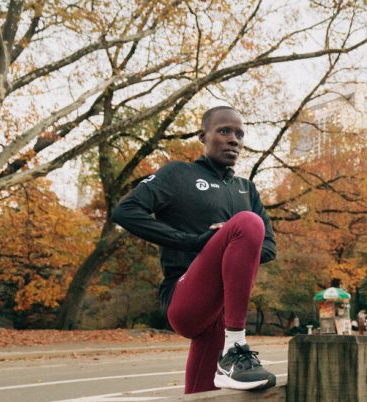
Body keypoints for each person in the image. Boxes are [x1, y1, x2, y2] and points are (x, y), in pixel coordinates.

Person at [112, 106, 277, 393]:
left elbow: (269, 248)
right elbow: (125, 212)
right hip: (184, 297)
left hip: (221, 312)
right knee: (247, 223)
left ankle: (228, 355)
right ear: (203, 136)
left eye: (239, 134)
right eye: (224, 131)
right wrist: (195, 241)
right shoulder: (179, 174)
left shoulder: (246, 189)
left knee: (202, 395)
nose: (233, 139)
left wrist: (227, 244)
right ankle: (236, 347)